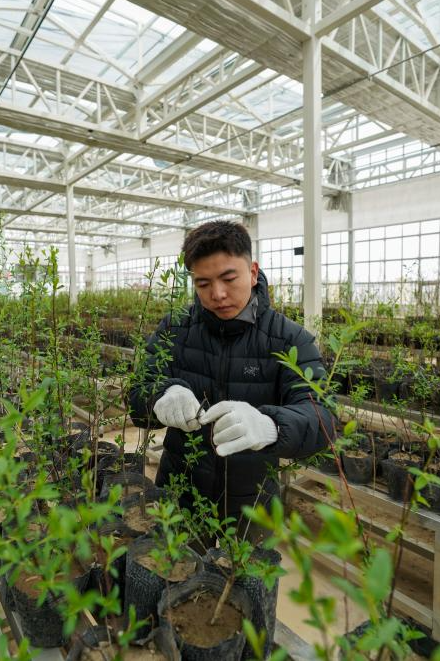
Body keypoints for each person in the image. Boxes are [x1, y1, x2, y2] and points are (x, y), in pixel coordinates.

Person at [128, 220, 335, 538]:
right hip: (179, 493)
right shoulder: (175, 329)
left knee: (246, 568)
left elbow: (323, 418)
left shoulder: (289, 340)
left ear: (252, 272)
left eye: (228, 278)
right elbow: (138, 392)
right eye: (203, 284)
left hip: (252, 502)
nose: (218, 294)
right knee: (175, 563)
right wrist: (160, 395)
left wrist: (271, 426)